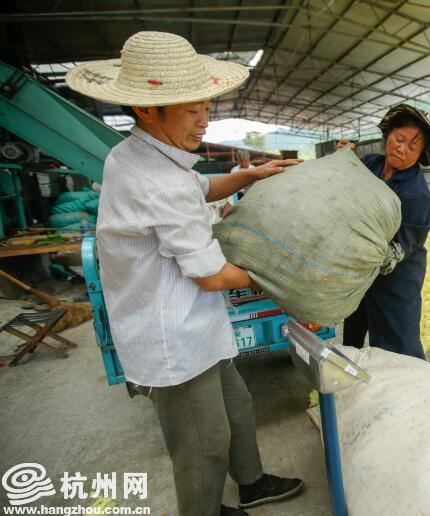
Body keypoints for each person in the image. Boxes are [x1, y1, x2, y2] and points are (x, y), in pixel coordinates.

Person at [66, 31, 304, 516]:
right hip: (171, 334)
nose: (204, 120)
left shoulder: (138, 154)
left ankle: (253, 483)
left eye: (206, 106)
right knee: (203, 443)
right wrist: (279, 273)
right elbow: (213, 276)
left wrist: (247, 176)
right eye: (190, 109)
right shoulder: (154, 179)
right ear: (146, 111)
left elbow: (198, 186)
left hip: (194, 323)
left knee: (236, 405)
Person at [337, 104, 430, 360]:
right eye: (399, 139)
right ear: (388, 134)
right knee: (353, 335)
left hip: (396, 277)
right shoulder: (371, 164)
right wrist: (342, 159)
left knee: (398, 346)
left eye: (412, 146)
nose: (402, 148)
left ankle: (413, 391)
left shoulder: (416, 195)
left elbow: (394, 254)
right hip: (363, 274)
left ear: (420, 154)